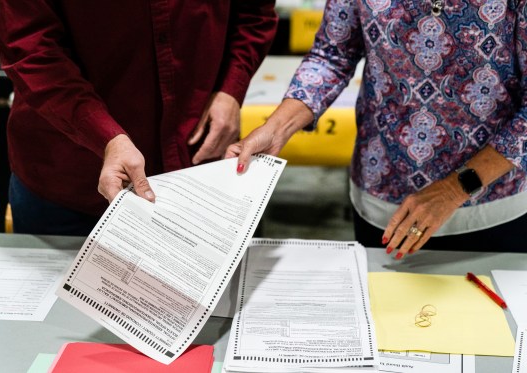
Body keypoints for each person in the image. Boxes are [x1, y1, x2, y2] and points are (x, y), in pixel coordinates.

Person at [226, 0, 527, 256]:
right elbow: (332, 55)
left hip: (492, 208)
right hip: (382, 200)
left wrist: (453, 189)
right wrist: (277, 127)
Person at [0, 1, 278, 236]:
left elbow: (254, 14)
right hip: (71, 181)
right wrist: (105, 135)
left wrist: (231, 88)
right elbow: (31, 51)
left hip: (198, 168)